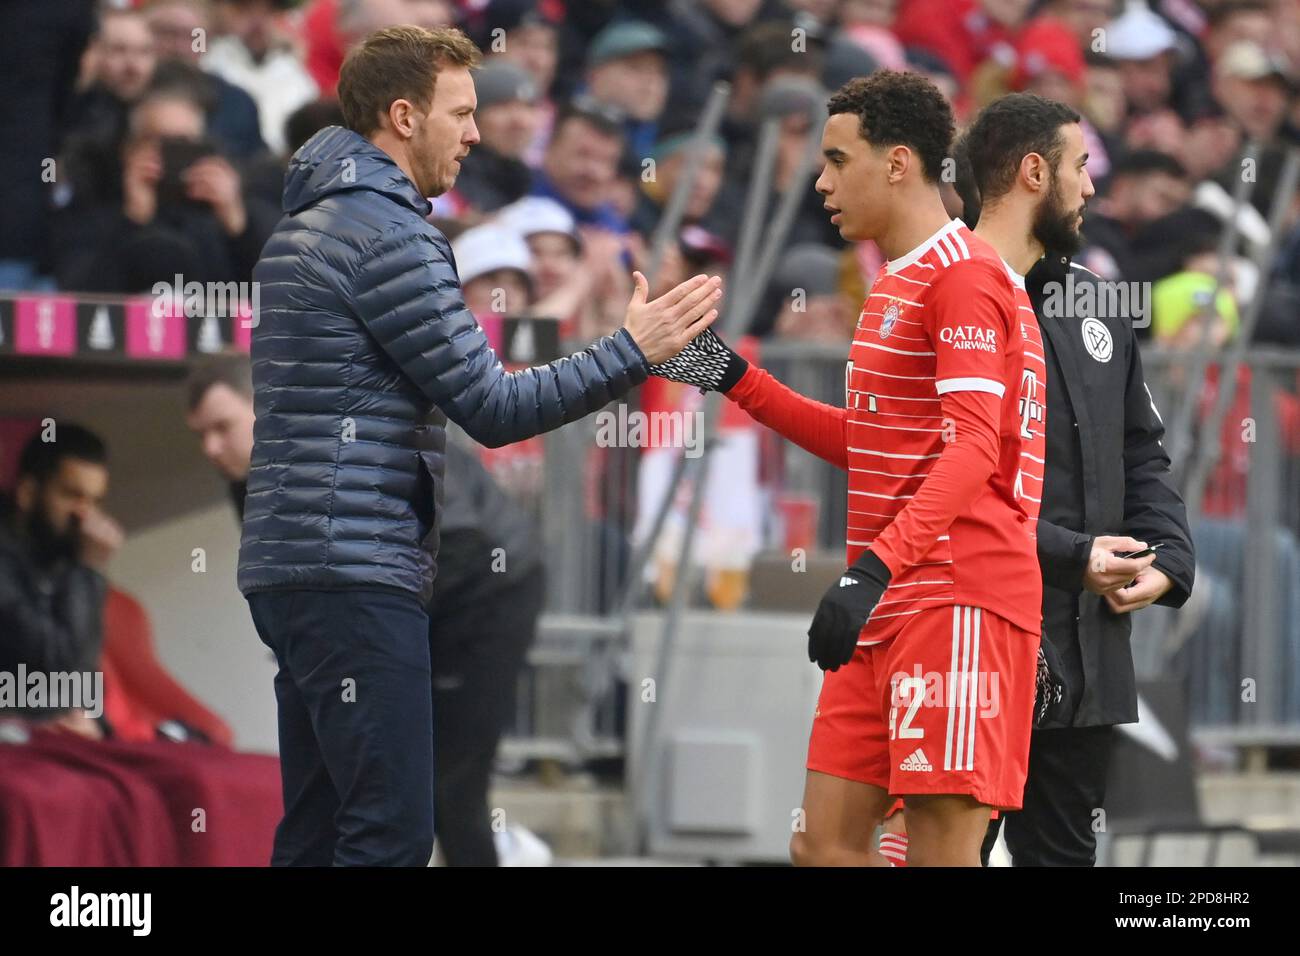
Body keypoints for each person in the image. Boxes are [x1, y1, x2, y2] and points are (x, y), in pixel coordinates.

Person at [236, 25, 723, 867]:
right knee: (389, 830)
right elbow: (492, 405)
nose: (476, 133)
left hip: (292, 567)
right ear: (401, 117)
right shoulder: (392, 232)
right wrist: (630, 351)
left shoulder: (302, 227)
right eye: (461, 113)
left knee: (319, 829)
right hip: (355, 569)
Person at [651, 70, 1043, 867]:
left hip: (955, 595)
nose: (821, 181)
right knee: (823, 846)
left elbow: (973, 447)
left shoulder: (963, 276)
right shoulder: (897, 280)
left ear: (897, 163)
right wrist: (730, 374)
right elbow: (877, 444)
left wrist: (870, 570)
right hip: (889, 599)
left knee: (936, 850)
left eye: (835, 160)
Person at [956, 93, 1195, 865]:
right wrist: (1071, 555)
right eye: (1080, 166)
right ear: (1034, 173)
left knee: (1062, 859)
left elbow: (1143, 450)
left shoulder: (1097, 302)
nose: (1092, 187)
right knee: (945, 852)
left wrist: (1168, 560)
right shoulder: (950, 294)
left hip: (1088, 649)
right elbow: (947, 489)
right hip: (978, 641)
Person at [0, 424, 122, 737]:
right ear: (28, 493)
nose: (85, 516)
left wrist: (97, 724)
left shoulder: (59, 560)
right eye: (72, 496)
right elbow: (55, 670)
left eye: (94, 501)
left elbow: (83, 672)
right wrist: (87, 569)